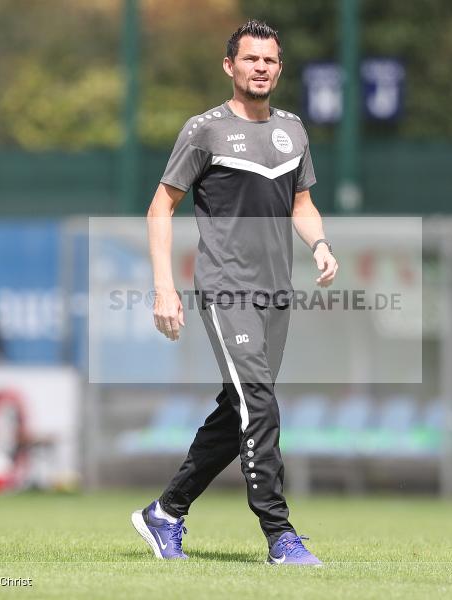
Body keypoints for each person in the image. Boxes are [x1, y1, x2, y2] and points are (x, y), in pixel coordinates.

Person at [132, 20, 338, 566]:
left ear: (279, 68)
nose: (261, 68)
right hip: (226, 288)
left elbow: (302, 204)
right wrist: (164, 288)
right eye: (250, 59)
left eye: (270, 60)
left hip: (277, 293)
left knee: (239, 410)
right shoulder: (204, 130)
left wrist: (319, 244)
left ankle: (166, 511)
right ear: (230, 67)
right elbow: (161, 207)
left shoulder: (293, 130)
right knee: (261, 406)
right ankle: (280, 534)